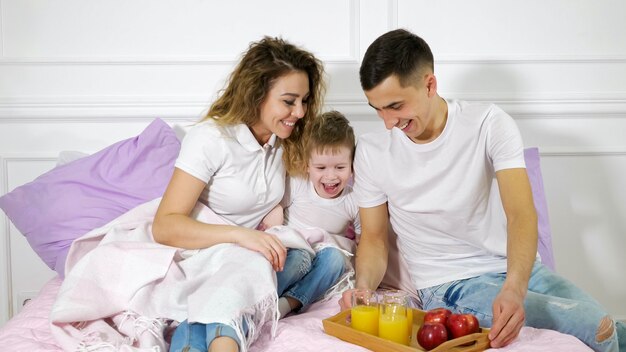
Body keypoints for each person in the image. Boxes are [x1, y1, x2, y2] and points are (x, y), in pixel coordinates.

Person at [340, 28, 625, 352]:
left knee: (613, 327)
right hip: (449, 285)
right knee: (599, 326)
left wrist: (514, 290)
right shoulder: (372, 151)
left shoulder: (488, 123)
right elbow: (375, 238)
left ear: (429, 84)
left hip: (522, 271)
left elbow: (521, 214)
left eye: (395, 106)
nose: (387, 122)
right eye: (377, 109)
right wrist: (363, 288)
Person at [152, 36, 325, 352]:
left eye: (304, 100)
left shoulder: (282, 142)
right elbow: (164, 226)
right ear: (256, 95)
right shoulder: (211, 139)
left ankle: (209, 321)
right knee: (252, 266)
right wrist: (241, 237)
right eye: (289, 101)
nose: (299, 111)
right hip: (202, 255)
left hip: (245, 256)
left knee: (311, 257)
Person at [261, 110, 361, 318]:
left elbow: (362, 242)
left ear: (352, 166)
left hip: (322, 257)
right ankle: (261, 298)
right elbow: (275, 208)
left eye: (340, 167)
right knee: (300, 258)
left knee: (336, 259)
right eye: (321, 167)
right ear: (307, 166)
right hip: (293, 250)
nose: (330, 176)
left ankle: (287, 304)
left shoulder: (355, 200)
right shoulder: (298, 184)